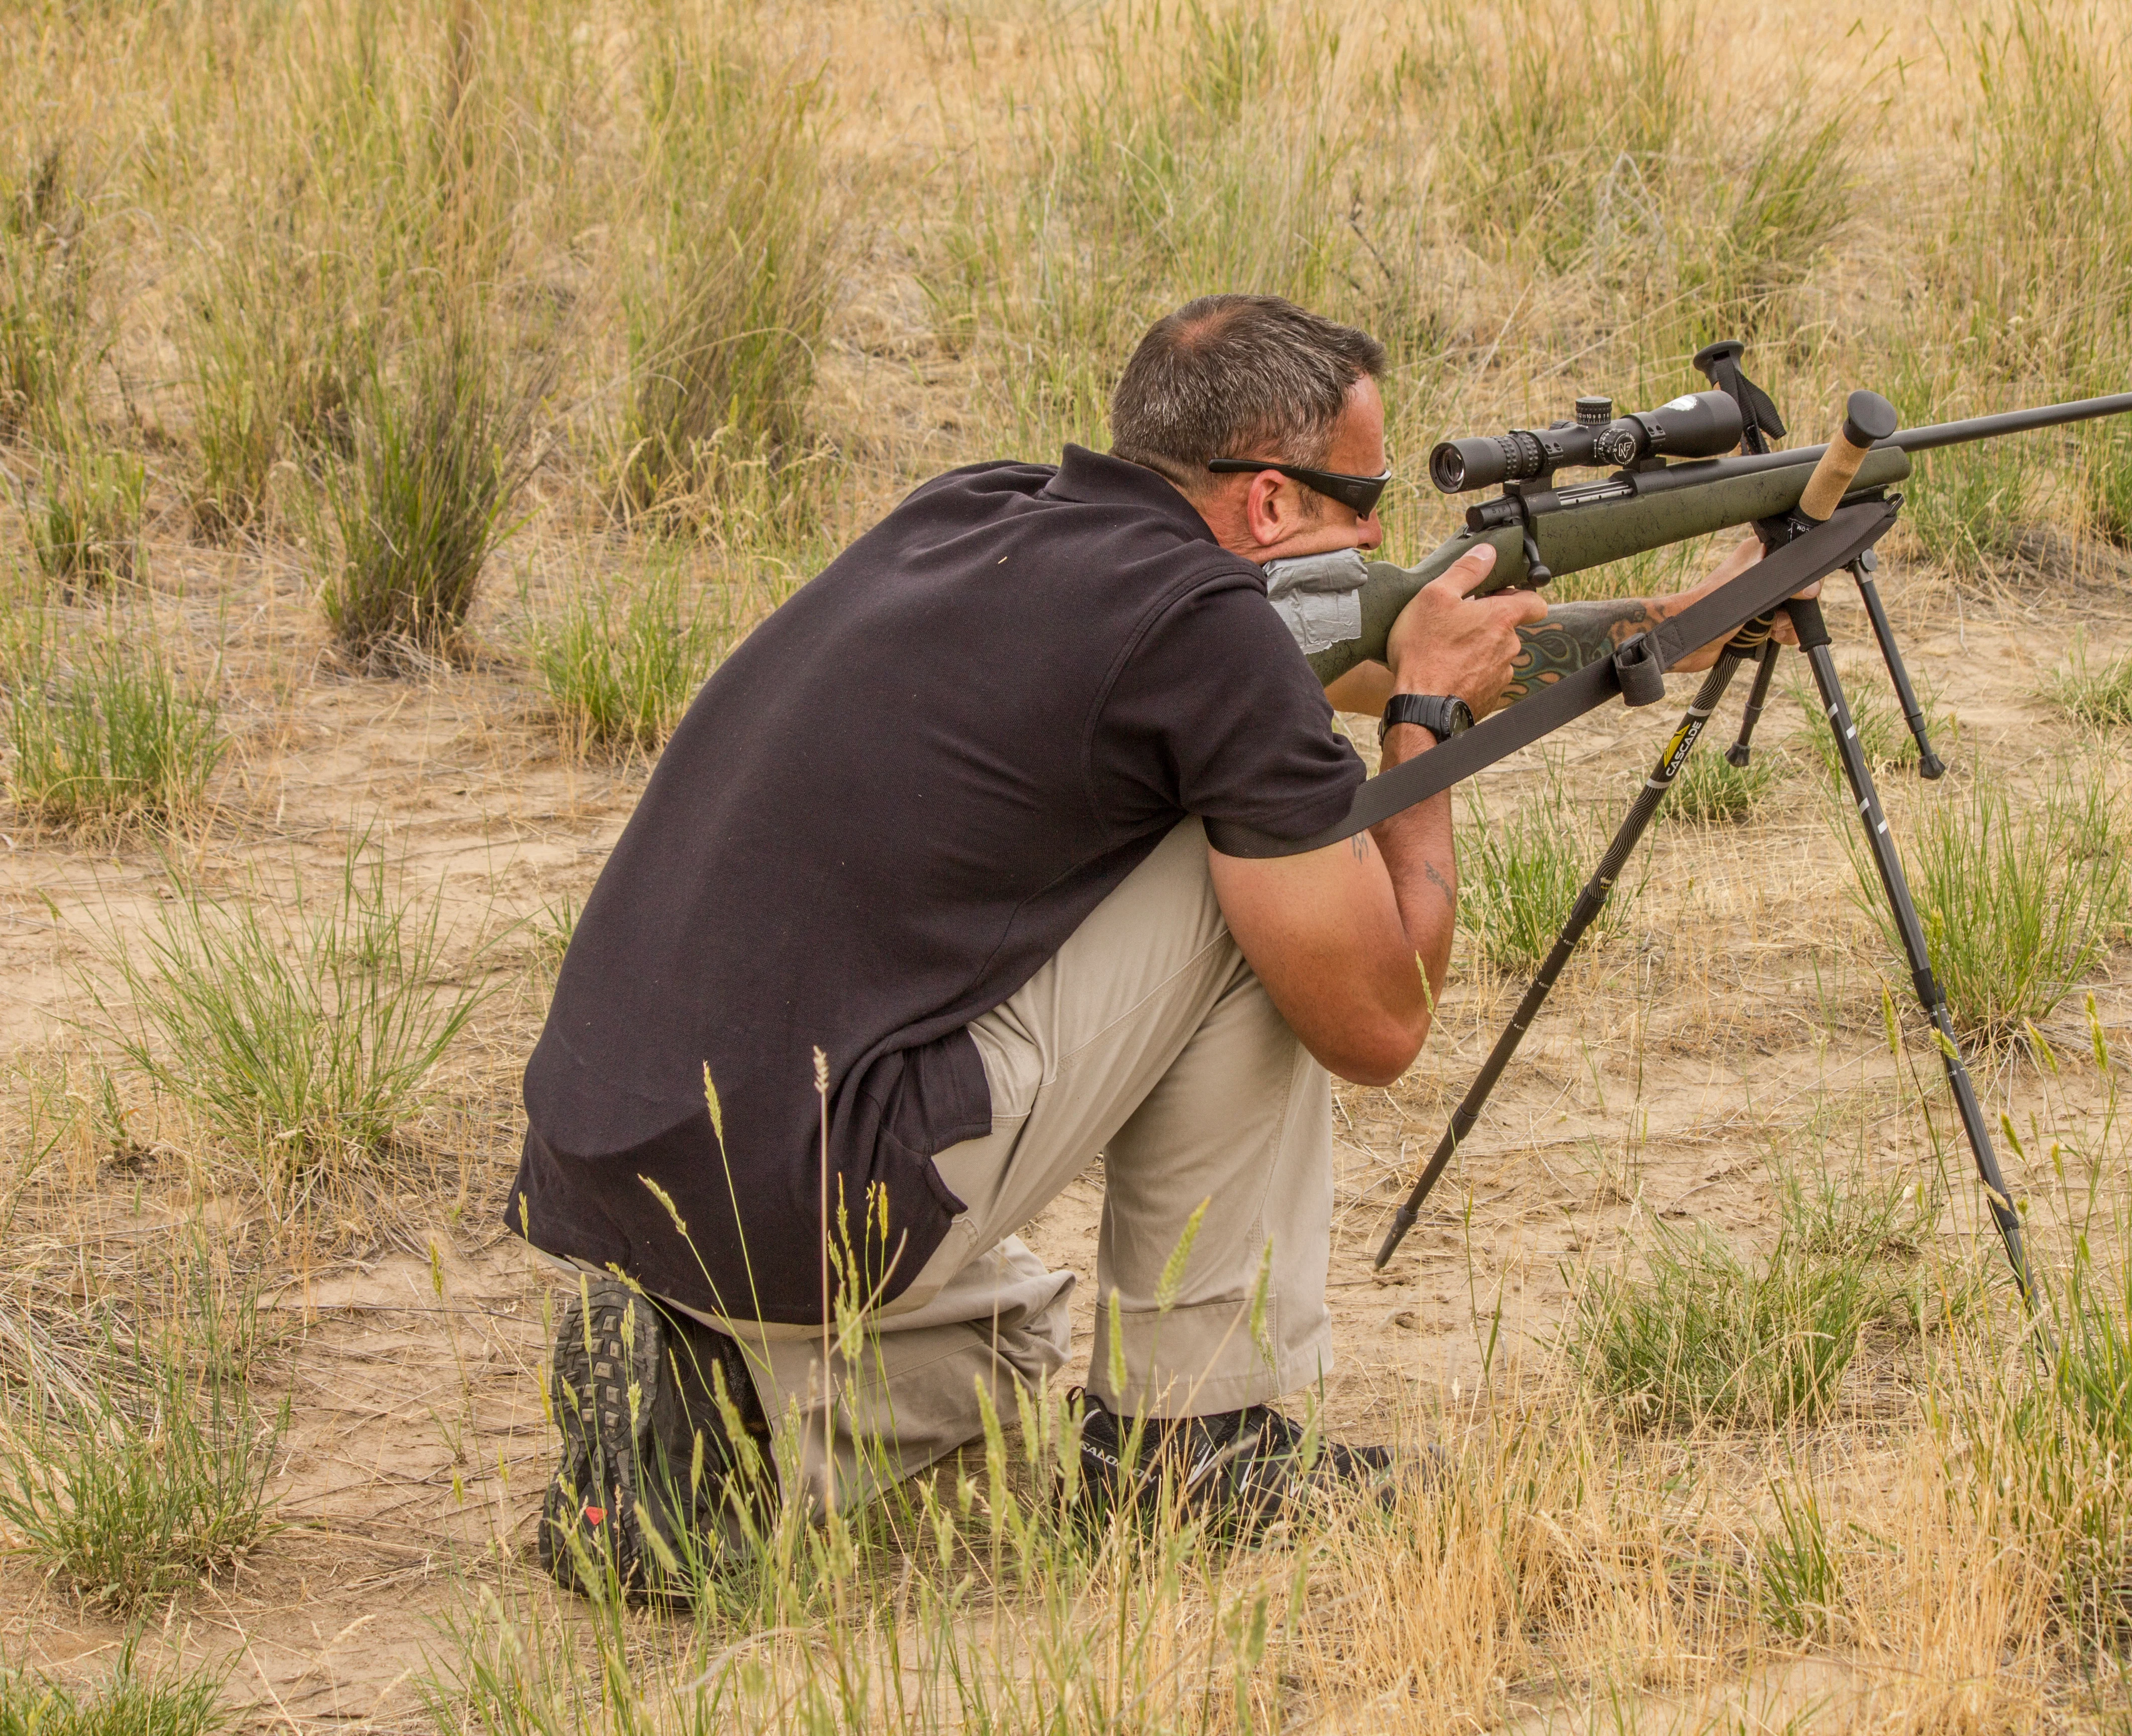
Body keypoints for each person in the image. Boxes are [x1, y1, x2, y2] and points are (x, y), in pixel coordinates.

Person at [511, 294, 1775, 1592]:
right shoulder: (1208, 643)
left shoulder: (980, 514)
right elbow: (1380, 1020)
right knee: (1266, 874)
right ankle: (1194, 1441)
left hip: (632, 1170)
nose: (1384, 535)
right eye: (1366, 497)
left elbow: (1313, 656)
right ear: (1272, 504)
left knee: (1009, 1352)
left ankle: (722, 1419)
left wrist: (1675, 620)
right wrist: (1422, 729)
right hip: (812, 1187)